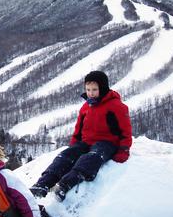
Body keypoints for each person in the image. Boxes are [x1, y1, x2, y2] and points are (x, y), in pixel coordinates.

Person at [30, 70, 132, 202]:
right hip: (86, 142)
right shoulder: (86, 106)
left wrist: (123, 150)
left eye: (94, 89)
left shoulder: (116, 106)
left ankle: (66, 184)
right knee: (65, 156)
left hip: (107, 143)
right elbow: (79, 128)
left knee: (91, 158)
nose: (90, 93)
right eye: (88, 89)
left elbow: (126, 131)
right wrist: (74, 146)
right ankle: (43, 184)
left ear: (103, 88)